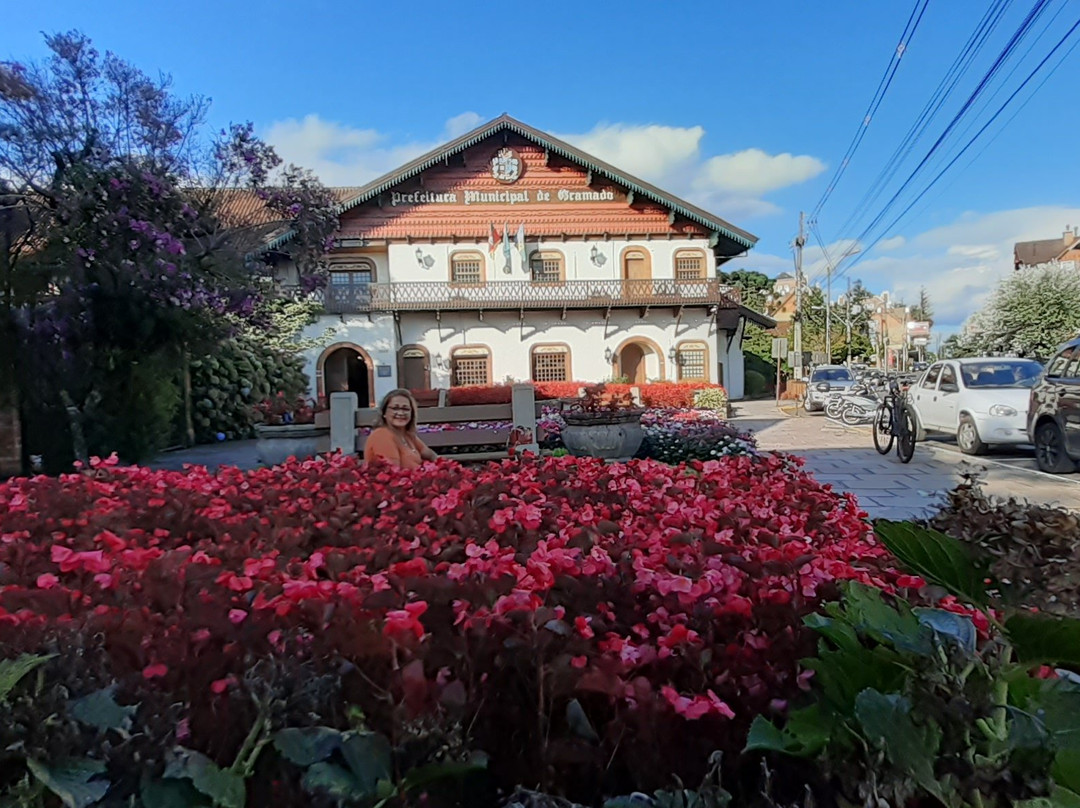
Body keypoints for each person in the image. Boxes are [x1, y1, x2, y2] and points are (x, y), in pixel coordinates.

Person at [363, 389, 437, 469]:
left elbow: (431, 455)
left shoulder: (408, 435)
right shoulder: (382, 435)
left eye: (406, 409)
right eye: (395, 408)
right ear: (384, 413)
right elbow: (393, 473)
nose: (401, 413)